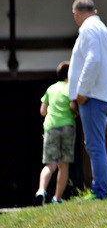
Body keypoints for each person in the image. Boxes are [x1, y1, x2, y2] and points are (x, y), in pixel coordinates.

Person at [68, 0, 107, 200]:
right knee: (96, 144)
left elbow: (93, 60)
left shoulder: (88, 29)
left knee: (95, 145)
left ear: (76, 13)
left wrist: (81, 91)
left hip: (92, 96)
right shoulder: (102, 30)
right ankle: (99, 189)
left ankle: (99, 191)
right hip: (101, 94)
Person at [35, 61, 76, 205]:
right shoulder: (71, 88)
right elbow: (72, 105)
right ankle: (57, 198)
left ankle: (41, 191)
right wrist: (75, 113)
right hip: (67, 126)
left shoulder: (51, 89)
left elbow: (42, 111)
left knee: (50, 165)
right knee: (63, 165)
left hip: (51, 127)